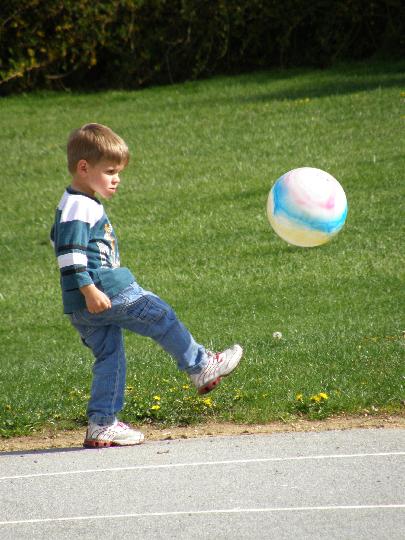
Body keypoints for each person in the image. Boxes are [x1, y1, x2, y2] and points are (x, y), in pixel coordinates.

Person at [50, 123, 243, 448]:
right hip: (105, 290)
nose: (116, 179)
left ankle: (102, 424)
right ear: (84, 167)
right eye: (110, 171)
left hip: (82, 303)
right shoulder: (80, 206)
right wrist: (89, 289)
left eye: (118, 172)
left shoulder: (73, 203)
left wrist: (83, 293)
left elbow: (60, 241)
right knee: (159, 315)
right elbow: (69, 254)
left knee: (110, 357)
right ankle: (201, 366)